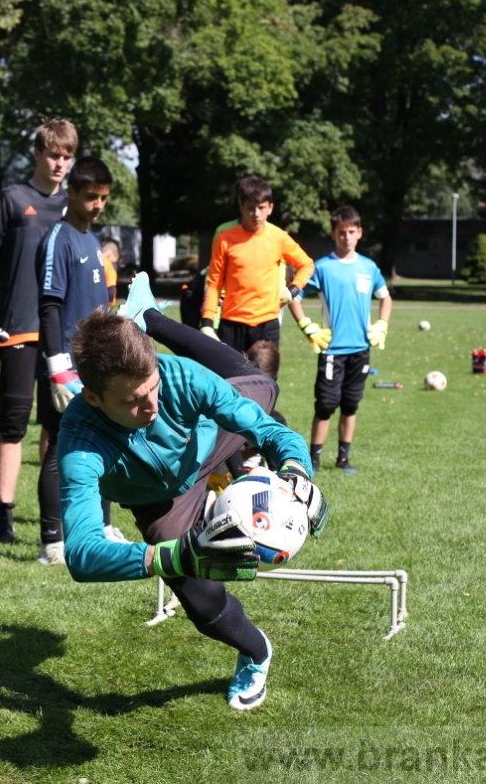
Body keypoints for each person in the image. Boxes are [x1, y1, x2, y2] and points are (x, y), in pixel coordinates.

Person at [56, 273, 327, 710]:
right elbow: (82, 552)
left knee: (263, 388)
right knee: (200, 599)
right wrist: (171, 557)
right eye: (131, 401)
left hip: (210, 439)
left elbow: (265, 428)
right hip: (157, 497)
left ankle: (147, 318)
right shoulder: (79, 443)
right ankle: (257, 653)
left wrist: (298, 469)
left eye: (152, 388)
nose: (150, 407)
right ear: (91, 397)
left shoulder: (177, 377)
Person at [0, 119, 77, 542]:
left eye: (67, 156)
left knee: (58, 425)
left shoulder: (74, 205)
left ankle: (54, 519)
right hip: (17, 328)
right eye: (53, 154)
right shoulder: (13, 199)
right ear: (37, 153)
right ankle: (3, 517)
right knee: (12, 425)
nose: (60, 163)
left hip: (61, 336)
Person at [33, 157, 126, 565]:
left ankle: (101, 529)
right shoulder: (59, 239)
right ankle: (51, 541)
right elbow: (50, 307)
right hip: (65, 368)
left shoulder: (92, 241)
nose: (98, 204)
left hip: (96, 367)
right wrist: (57, 368)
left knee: (102, 446)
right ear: (71, 192)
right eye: (91, 196)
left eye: (104, 198)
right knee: (58, 449)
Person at [288, 206, 392, 474]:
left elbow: (385, 297)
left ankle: (343, 458)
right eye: (341, 232)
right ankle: (313, 458)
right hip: (332, 350)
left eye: (351, 232)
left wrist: (382, 324)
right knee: (325, 405)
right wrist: (307, 327)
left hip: (361, 349)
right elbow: (293, 298)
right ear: (334, 234)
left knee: (350, 404)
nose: (346, 237)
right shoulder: (322, 267)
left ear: (360, 233)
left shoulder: (369, 267)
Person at [200, 175, 314, 353]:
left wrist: (292, 290)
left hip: (267, 325)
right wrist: (207, 322)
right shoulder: (225, 238)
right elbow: (214, 283)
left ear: (270, 208)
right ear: (241, 207)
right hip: (232, 325)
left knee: (265, 380)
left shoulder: (279, 237)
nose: (256, 214)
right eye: (250, 208)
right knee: (230, 381)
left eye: (261, 207)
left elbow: (307, 265)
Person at [100, 237, 121, 307]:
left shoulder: (95, 263)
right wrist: (111, 303)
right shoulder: (109, 265)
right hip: (105, 304)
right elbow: (111, 289)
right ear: (110, 253)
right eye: (114, 262)